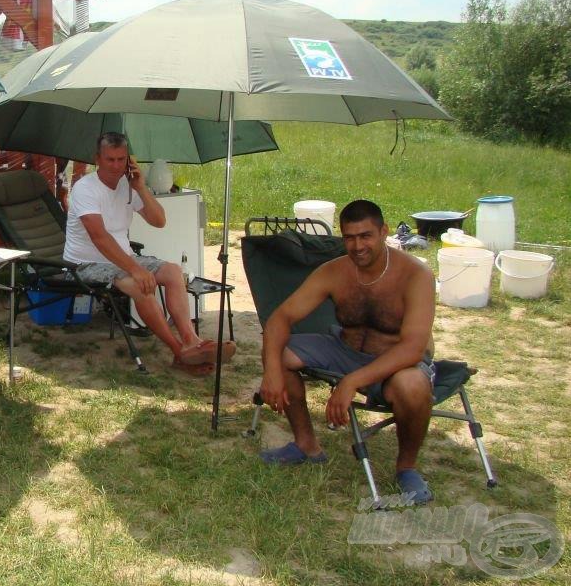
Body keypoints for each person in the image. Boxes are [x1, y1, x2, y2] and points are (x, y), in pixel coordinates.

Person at [259, 199, 436, 504]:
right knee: (280, 354)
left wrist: (351, 381)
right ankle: (307, 446)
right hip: (345, 348)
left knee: (413, 386)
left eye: (365, 236)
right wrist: (271, 372)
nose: (357, 246)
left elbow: (412, 349)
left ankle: (407, 467)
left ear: (384, 232)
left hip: (395, 360)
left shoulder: (415, 275)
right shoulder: (335, 272)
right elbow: (280, 319)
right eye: (349, 237)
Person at [64, 132, 235, 376]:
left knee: (173, 271)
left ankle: (191, 341)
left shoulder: (128, 185)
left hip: (121, 258)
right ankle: (180, 353)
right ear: (97, 160)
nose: (115, 166)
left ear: (129, 161)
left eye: (121, 159)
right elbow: (99, 237)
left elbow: (159, 220)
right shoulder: (85, 189)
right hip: (85, 264)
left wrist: (141, 188)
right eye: (110, 159)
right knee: (141, 284)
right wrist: (136, 268)